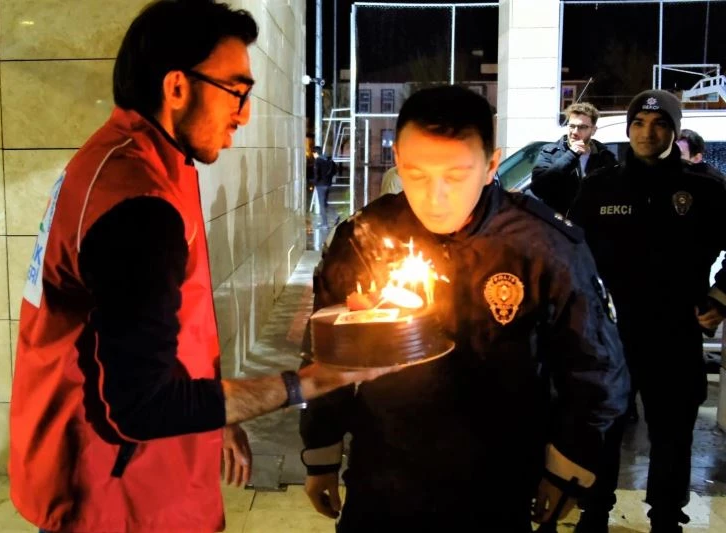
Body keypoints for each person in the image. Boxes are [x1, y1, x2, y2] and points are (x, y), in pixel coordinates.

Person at [8, 3, 394, 532]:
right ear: (176, 87)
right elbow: (141, 407)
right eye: (236, 91)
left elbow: (158, 332)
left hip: (138, 470)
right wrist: (312, 381)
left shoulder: (135, 160)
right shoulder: (137, 204)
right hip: (118, 492)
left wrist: (217, 414)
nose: (245, 113)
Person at [299, 85, 630, 532]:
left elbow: (594, 365)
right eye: (417, 174)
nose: (435, 196)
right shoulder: (366, 238)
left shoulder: (542, 245)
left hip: (499, 480)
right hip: (385, 472)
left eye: (455, 176)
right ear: (397, 159)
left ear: (492, 165)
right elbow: (327, 351)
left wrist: (566, 465)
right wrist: (321, 451)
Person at [567, 90, 726, 533]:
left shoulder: (705, 189)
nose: (647, 133)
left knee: (672, 432)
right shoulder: (600, 186)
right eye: (638, 123)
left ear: (674, 132)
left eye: (659, 125)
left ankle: (666, 519)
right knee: (602, 429)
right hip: (610, 335)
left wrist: (720, 298)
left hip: (675, 332)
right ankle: (593, 512)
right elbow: (569, 250)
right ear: (628, 128)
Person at [532, 102, 617, 215]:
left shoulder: (604, 157)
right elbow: (538, 187)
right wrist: (572, 155)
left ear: (593, 130)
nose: (575, 132)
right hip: (558, 226)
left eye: (582, 127)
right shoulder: (550, 152)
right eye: (572, 126)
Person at [313, 146, 337, 225]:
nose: (313, 155)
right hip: (328, 184)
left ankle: (324, 224)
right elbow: (334, 170)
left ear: (316, 153)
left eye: (313, 153)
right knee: (325, 203)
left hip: (321, 185)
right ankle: (335, 216)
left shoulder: (318, 161)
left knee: (322, 205)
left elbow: (317, 174)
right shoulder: (328, 160)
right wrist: (329, 178)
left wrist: (315, 182)